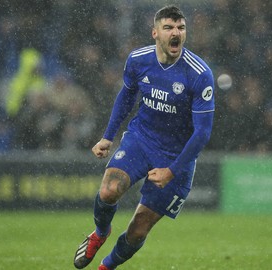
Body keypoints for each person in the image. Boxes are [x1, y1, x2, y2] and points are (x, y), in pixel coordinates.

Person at [73, 5, 215, 270]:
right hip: (142, 139)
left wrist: (172, 171)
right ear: (155, 33)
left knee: (139, 229)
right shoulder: (138, 60)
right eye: (169, 27)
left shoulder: (199, 74)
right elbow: (126, 96)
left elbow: (203, 132)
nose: (176, 33)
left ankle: (106, 267)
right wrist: (107, 136)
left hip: (176, 156)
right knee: (109, 190)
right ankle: (100, 234)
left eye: (181, 28)